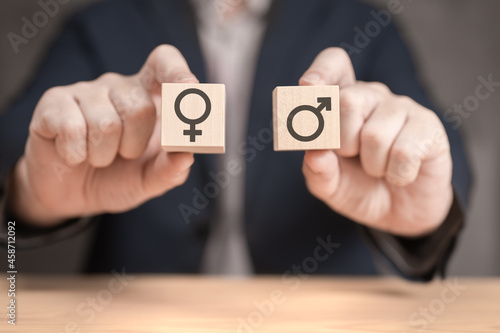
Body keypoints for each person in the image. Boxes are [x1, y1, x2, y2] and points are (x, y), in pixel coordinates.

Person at [0, 0, 470, 280]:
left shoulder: (364, 24)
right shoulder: (102, 23)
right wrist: (31, 191)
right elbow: (13, 141)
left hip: (321, 314)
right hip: (138, 311)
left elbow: (437, 145)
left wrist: (426, 213)